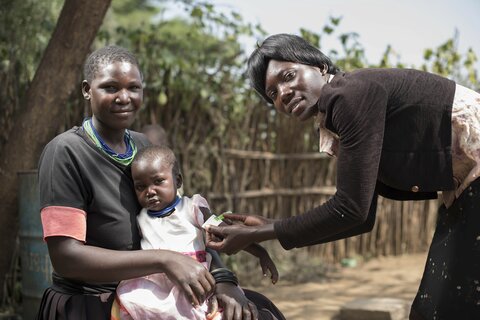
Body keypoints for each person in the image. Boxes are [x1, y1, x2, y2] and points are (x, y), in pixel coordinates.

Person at [205, 33, 480, 319]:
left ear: (320, 67)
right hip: (464, 189)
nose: (283, 93)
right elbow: (361, 218)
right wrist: (270, 226)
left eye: (288, 76)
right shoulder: (342, 111)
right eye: (272, 94)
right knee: (434, 308)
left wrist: (261, 232)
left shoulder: (351, 95)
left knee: (444, 308)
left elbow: (350, 208)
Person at [36, 45, 285, 320]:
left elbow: (185, 222)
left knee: (258, 311)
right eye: (110, 88)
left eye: (134, 88)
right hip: (94, 300)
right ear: (87, 90)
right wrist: (164, 260)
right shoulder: (66, 152)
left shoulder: (145, 148)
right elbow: (65, 258)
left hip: (161, 290)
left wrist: (224, 279)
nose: (124, 97)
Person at [112, 145, 279, 319]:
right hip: (156, 288)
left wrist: (260, 252)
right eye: (140, 187)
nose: (150, 191)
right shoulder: (140, 217)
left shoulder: (192, 208)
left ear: (178, 181)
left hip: (196, 282)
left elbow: (227, 232)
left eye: (158, 181)